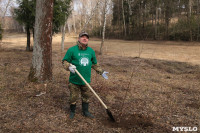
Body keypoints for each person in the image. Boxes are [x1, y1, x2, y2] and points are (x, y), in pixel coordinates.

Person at [62, 31, 109, 119]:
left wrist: (101, 72)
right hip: (74, 80)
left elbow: (94, 64)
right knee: (73, 98)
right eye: (82, 37)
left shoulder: (91, 51)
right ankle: (72, 112)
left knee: (86, 97)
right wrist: (69, 67)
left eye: (86, 37)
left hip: (86, 80)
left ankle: (86, 112)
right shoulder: (72, 50)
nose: (85, 39)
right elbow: (64, 61)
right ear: (79, 39)